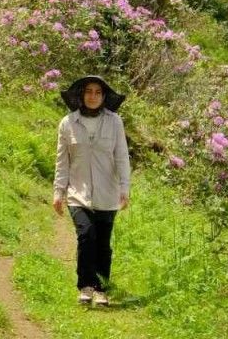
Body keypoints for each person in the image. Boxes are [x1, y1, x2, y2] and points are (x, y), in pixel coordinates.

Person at [53, 75, 130, 307]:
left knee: (103, 244)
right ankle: (85, 286)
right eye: (88, 91)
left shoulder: (115, 122)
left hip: (108, 193)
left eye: (98, 92)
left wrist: (125, 187)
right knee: (86, 235)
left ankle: (101, 289)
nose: (93, 96)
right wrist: (58, 192)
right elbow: (62, 161)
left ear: (104, 96)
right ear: (81, 95)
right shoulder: (68, 123)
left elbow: (121, 156)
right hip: (78, 193)